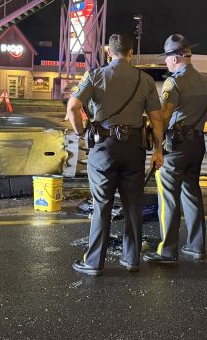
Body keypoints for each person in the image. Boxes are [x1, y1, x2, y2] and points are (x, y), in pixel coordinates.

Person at [66, 32, 164, 275]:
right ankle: (132, 260)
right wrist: (159, 149)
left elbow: (73, 106)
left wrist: (80, 132)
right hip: (134, 149)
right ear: (131, 53)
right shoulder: (145, 80)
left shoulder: (95, 75)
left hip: (104, 149)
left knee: (102, 204)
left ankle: (94, 263)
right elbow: (156, 118)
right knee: (133, 204)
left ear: (108, 52)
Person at [143, 34, 207, 264]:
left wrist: (157, 148)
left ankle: (167, 251)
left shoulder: (174, 82)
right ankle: (196, 246)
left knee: (169, 198)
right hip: (197, 143)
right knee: (192, 194)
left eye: (166, 58)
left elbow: (163, 116)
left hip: (176, 146)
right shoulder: (206, 82)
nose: (165, 63)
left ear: (175, 58)